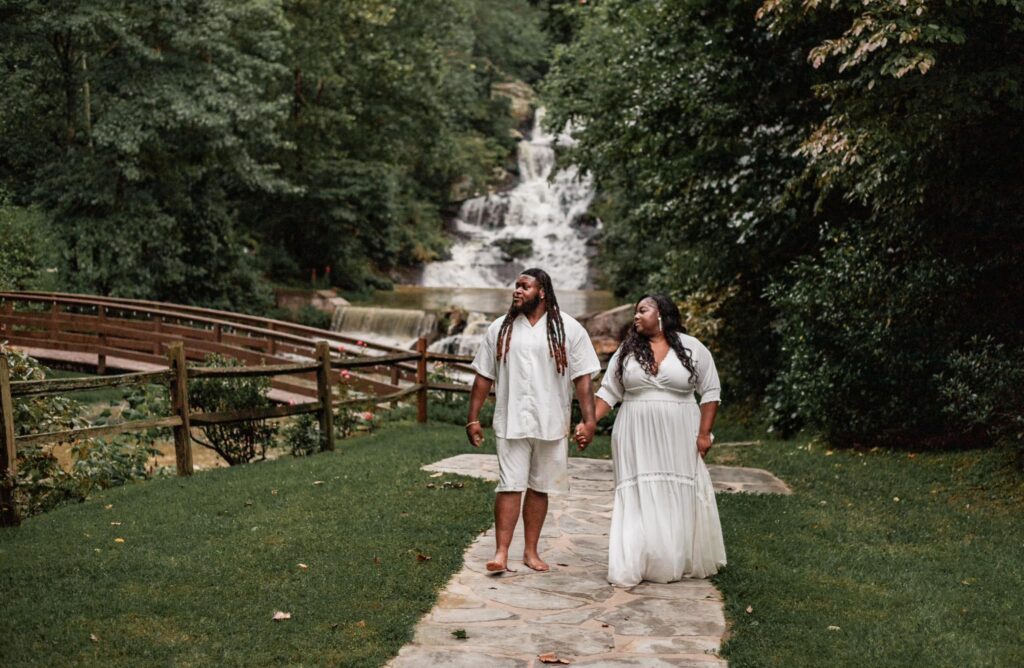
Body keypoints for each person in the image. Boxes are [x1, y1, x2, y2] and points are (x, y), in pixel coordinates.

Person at [466, 268, 601, 573]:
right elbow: (483, 377)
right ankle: (501, 553)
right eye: (516, 286)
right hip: (511, 419)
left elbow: (583, 380)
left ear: (542, 292)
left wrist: (589, 421)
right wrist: (473, 418)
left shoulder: (568, 328)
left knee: (540, 487)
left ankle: (531, 552)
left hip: (551, 421)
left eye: (524, 286)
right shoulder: (500, 328)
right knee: (509, 485)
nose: (517, 290)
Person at [587, 294, 725, 586]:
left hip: (680, 430)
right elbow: (609, 392)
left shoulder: (693, 348)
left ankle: (669, 560)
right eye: (636, 311)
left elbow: (711, 391)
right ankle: (632, 561)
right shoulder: (627, 350)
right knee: (636, 491)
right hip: (634, 430)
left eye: (642, 310)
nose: (636, 316)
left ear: (661, 314)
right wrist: (589, 423)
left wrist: (703, 433)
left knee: (674, 490)